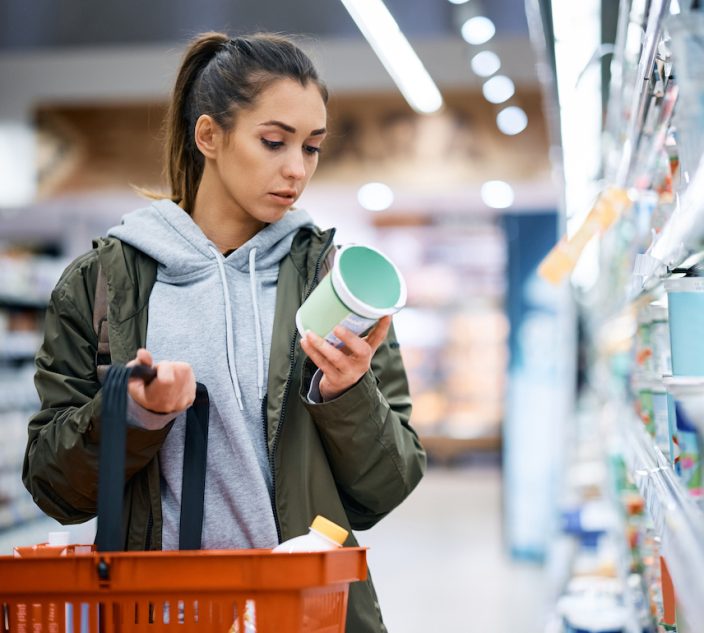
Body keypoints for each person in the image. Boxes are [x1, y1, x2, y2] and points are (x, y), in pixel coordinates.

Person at [22, 31, 426, 632]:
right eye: (273, 141)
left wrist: (346, 397)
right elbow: (56, 488)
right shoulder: (103, 284)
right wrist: (135, 415)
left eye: (311, 147)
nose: (296, 169)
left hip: (302, 613)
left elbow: (386, 489)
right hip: (158, 614)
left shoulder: (331, 282)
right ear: (209, 135)